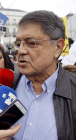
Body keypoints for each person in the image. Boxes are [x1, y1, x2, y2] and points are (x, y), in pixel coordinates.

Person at [11, 10, 76, 140]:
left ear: (58, 47)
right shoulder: (7, 85)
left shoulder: (73, 89)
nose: (21, 51)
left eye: (32, 43)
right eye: (19, 43)